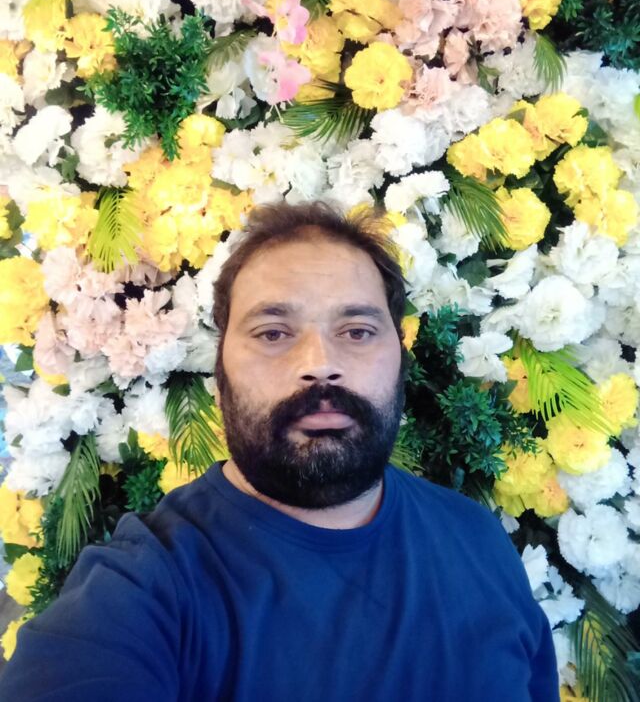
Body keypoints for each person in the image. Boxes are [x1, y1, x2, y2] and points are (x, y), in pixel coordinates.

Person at [0, 201, 559, 701]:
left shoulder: (477, 538)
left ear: (400, 359)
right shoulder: (145, 590)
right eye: (273, 332)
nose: (320, 363)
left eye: (357, 331)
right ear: (220, 371)